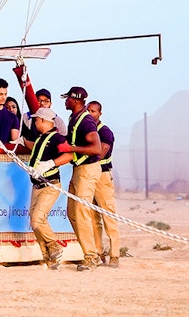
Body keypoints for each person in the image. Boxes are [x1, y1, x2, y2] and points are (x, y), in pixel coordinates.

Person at [57, 86, 103, 271]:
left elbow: (96, 148)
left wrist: (71, 149)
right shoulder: (73, 118)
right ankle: (90, 251)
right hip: (79, 169)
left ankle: (91, 257)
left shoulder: (86, 122)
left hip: (88, 170)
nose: (65, 101)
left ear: (75, 101)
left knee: (82, 214)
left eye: (67, 98)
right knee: (73, 213)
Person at [25, 107, 72, 270]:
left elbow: (69, 155)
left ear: (44, 121)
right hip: (36, 185)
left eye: (37, 120)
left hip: (49, 185)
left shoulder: (58, 138)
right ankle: (49, 258)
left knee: (38, 219)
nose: (35, 122)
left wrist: (51, 163)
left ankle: (54, 245)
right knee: (34, 222)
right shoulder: (40, 139)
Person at [88, 100, 120, 269]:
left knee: (108, 215)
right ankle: (99, 252)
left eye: (94, 111)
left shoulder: (105, 132)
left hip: (102, 175)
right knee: (93, 217)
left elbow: (100, 153)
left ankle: (114, 254)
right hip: (88, 175)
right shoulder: (88, 130)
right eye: (88, 110)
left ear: (100, 114)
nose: (91, 114)